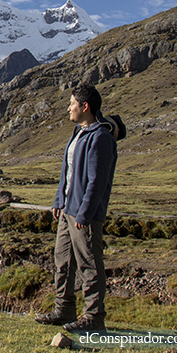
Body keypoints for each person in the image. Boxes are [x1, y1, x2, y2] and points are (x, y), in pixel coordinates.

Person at [35, 84, 117, 332]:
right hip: (67, 209)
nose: (68, 108)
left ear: (85, 107)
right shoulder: (78, 133)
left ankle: (93, 317)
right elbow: (67, 173)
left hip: (84, 215)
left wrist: (85, 213)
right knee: (63, 260)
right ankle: (64, 309)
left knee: (89, 262)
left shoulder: (100, 138)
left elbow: (97, 181)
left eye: (72, 104)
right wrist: (59, 200)